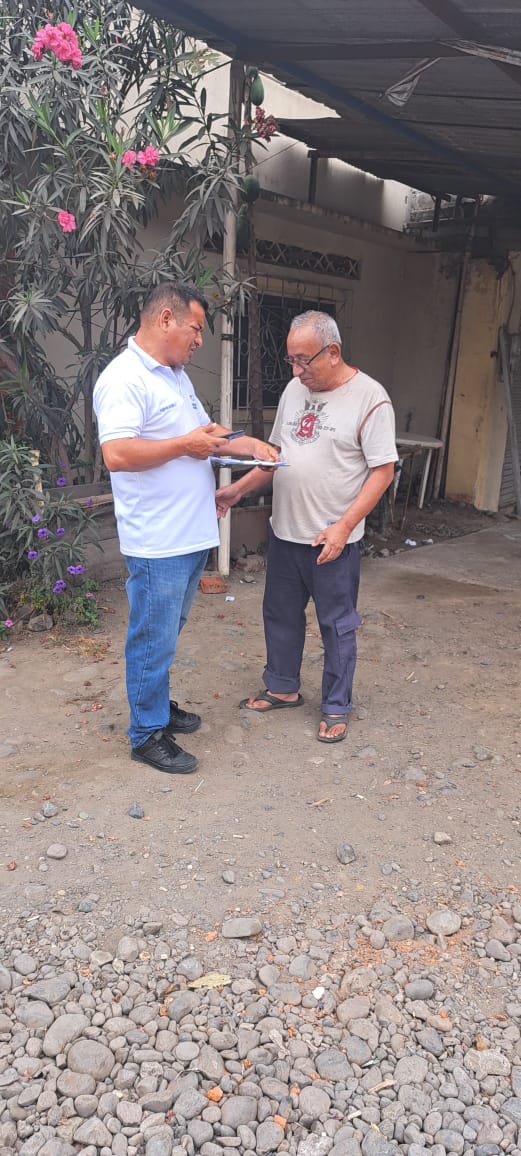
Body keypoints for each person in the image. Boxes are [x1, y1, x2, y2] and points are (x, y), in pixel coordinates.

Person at [93, 280, 278, 774]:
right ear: (165, 319)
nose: (199, 340)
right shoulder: (124, 378)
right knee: (152, 638)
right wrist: (183, 446)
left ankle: (155, 705)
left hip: (190, 533)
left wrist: (248, 446)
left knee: (166, 634)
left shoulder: (175, 377)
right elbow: (117, 453)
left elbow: (207, 434)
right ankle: (146, 733)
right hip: (159, 540)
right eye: (196, 328)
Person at [216, 310, 397, 744]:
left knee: (337, 625)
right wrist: (238, 490)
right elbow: (278, 457)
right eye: (291, 361)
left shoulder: (370, 398)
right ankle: (282, 686)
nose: (297, 371)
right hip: (285, 531)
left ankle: (336, 704)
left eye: (304, 360)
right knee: (279, 613)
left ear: (332, 352)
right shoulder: (295, 391)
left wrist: (344, 527)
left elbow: (383, 471)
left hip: (331, 540)